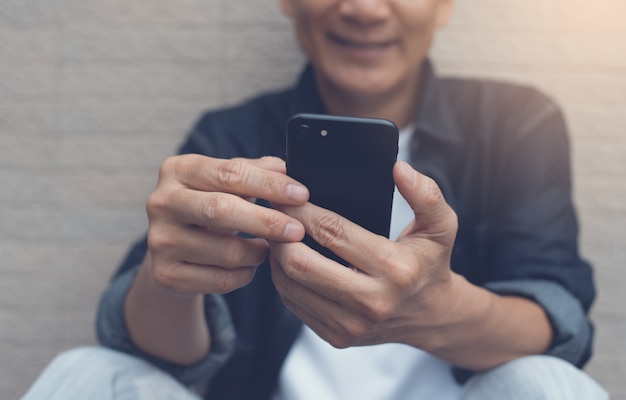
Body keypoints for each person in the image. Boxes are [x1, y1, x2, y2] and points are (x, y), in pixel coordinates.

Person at [23, 0, 608, 399]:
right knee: (90, 372)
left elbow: (557, 322)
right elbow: (154, 350)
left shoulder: (513, 123)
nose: (362, 7)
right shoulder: (231, 139)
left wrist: (440, 311)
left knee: (544, 383)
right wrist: (165, 274)